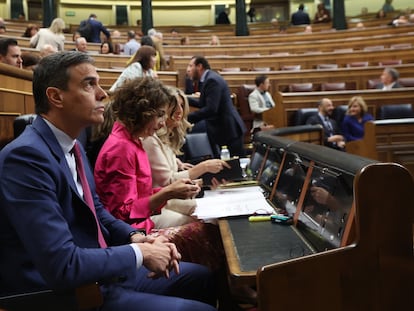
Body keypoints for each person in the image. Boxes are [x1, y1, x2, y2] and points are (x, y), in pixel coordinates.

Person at [0, 51, 217, 311]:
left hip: (100, 273)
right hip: (71, 293)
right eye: (89, 84)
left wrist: (136, 238)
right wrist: (140, 254)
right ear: (56, 96)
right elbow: (62, 264)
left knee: (204, 279)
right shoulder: (25, 158)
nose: (103, 94)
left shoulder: (74, 147)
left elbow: (98, 212)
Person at [186, 56, 246, 158]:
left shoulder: (211, 80)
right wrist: (184, 98)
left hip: (229, 129)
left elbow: (211, 109)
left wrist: (187, 119)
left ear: (199, 66)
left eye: (191, 66)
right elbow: (202, 103)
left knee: (235, 164)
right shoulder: (209, 78)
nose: (188, 70)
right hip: (224, 129)